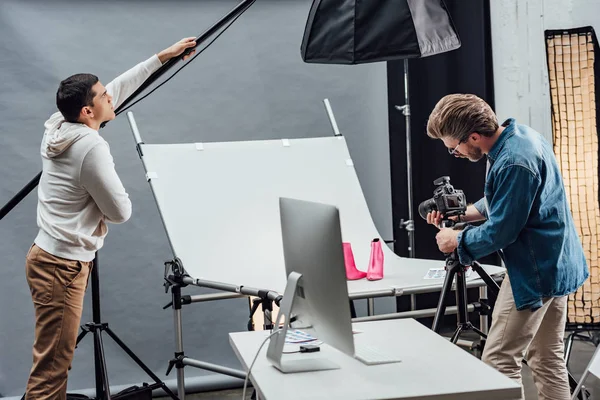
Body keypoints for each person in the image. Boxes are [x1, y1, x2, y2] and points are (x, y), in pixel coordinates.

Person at [24, 37, 197, 400]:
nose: (111, 98)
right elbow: (120, 212)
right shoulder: (90, 148)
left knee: (54, 361)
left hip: (50, 258)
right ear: (87, 112)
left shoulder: (58, 123)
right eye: (102, 97)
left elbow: (117, 86)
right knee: (52, 370)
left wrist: (161, 58)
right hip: (62, 266)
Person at [425, 93, 588, 400]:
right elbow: (510, 200)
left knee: (498, 362)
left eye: (455, 148)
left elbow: (502, 231)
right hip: (557, 263)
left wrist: (456, 240)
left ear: (473, 136)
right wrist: (464, 213)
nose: (455, 154)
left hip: (534, 271)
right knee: (546, 358)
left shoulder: (513, 161)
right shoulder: (521, 138)